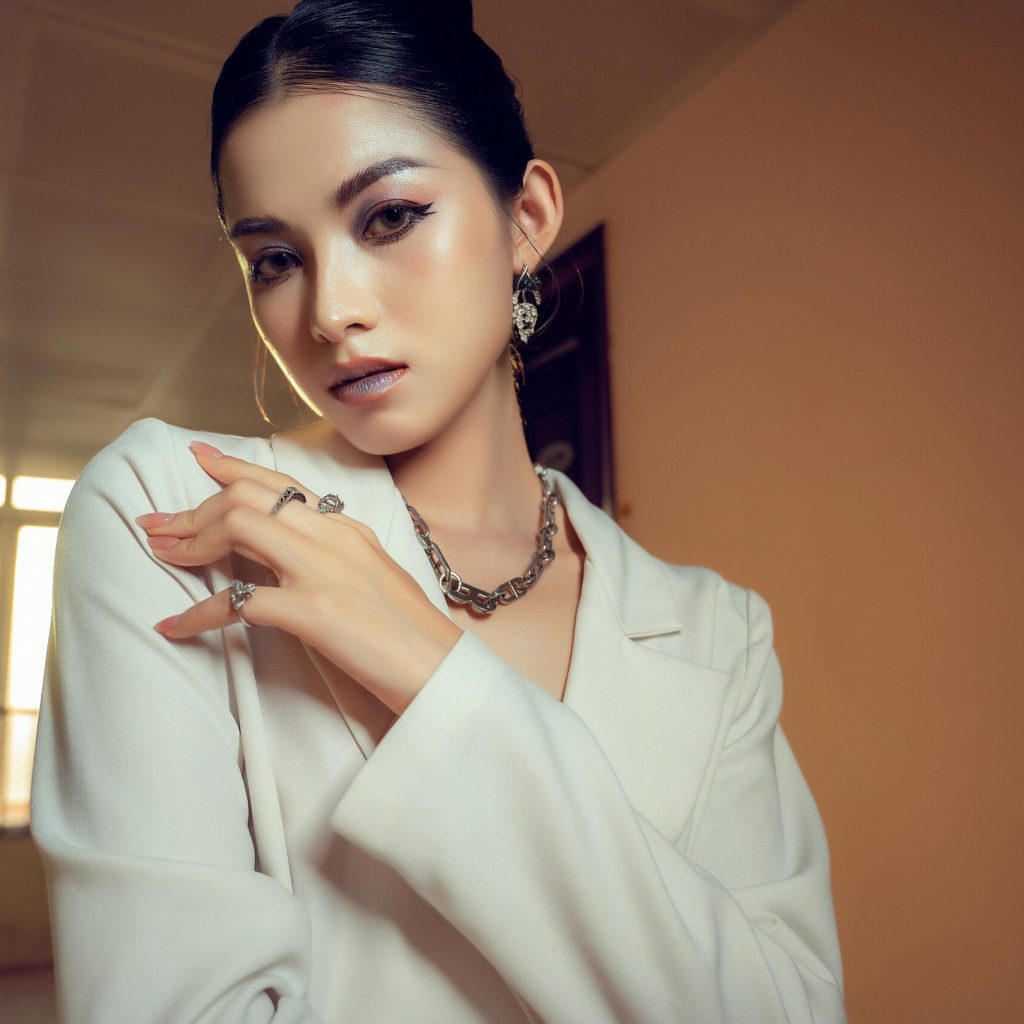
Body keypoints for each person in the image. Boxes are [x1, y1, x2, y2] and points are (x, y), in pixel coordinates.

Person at [29, 1, 846, 1021]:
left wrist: (433, 672)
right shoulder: (169, 509)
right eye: (275, 259)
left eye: (389, 217)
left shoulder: (718, 633)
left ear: (527, 217)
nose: (331, 311)